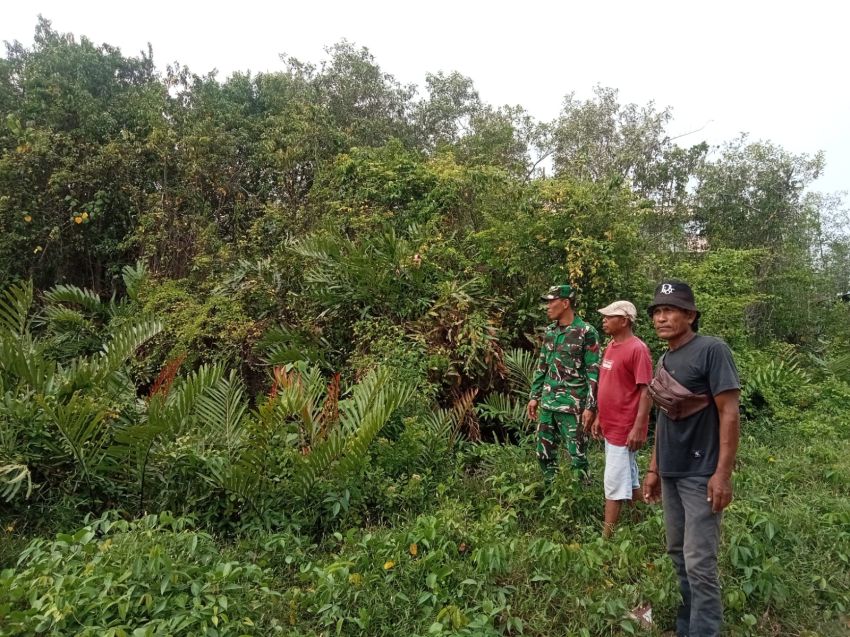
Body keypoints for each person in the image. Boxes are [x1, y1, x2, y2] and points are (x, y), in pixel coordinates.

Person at [642, 280, 741, 637]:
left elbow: (729, 412)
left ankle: (704, 631)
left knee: (699, 561)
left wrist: (722, 474)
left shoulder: (712, 350)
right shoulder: (665, 359)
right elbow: (663, 418)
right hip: (671, 470)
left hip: (701, 473)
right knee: (678, 554)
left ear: (690, 315)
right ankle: (686, 627)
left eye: (669, 310)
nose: (661, 318)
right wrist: (654, 468)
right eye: (657, 311)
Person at [590, 300, 653, 537]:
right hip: (610, 424)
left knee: (614, 482)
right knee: (630, 478)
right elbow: (608, 384)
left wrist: (639, 427)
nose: (604, 320)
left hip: (624, 428)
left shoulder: (638, 349)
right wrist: (599, 416)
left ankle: (606, 539)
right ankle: (642, 524)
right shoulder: (611, 346)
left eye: (610, 316)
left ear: (624, 321)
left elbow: (646, 391)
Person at [527, 284, 600, 481]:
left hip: (573, 406)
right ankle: (550, 490)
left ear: (565, 303)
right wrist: (534, 396)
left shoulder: (586, 332)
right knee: (543, 453)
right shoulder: (550, 331)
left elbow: (594, 372)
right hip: (548, 404)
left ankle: (580, 495)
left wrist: (591, 407)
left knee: (578, 457)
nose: (548, 306)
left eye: (552, 302)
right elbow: (542, 366)